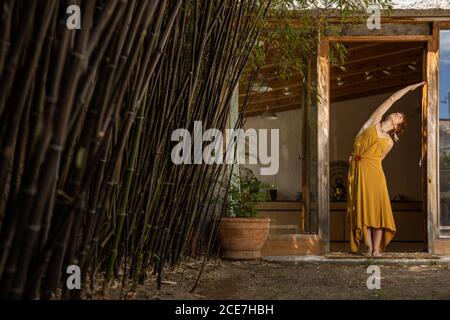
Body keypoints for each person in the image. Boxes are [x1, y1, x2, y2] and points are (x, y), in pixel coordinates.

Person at [347, 81, 426, 257]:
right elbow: (391, 99)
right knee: (364, 210)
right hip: (360, 171)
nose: (397, 114)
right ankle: (368, 247)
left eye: (400, 117)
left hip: (376, 175)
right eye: (397, 113)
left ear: (397, 127)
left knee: (378, 211)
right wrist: (410, 88)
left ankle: (376, 249)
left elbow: (379, 160)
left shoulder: (389, 142)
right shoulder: (374, 122)